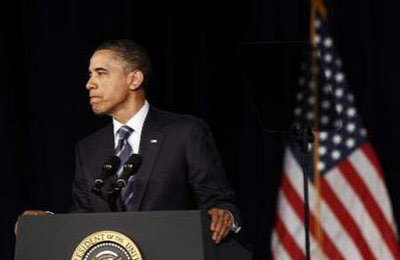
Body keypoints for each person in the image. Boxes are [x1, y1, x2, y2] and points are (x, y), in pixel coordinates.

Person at [19, 39, 241, 244]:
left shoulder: (184, 132)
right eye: (90, 74)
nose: (90, 84)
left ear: (134, 79)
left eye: (101, 73)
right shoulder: (88, 148)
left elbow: (218, 200)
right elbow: (83, 217)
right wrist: (46, 222)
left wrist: (224, 215)